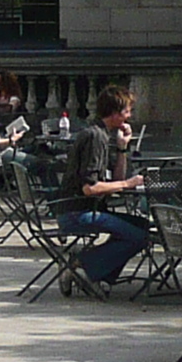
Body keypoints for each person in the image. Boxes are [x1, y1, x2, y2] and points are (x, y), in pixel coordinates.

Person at [55, 86, 155, 288]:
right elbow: (89, 189)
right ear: (116, 113)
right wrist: (129, 184)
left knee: (142, 227)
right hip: (77, 211)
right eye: (127, 111)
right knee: (139, 236)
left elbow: (117, 178)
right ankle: (81, 266)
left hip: (88, 209)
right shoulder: (95, 137)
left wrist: (122, 148)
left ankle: (95, 271)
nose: (129, 116)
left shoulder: (102, 134)